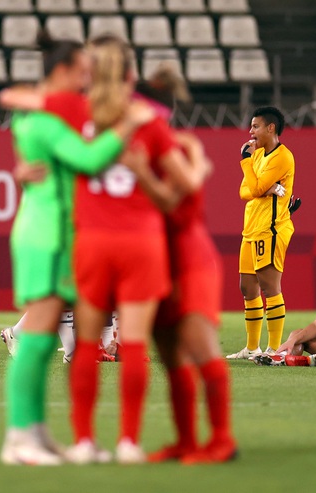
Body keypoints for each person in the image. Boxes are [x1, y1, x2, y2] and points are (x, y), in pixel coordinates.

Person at [0, 31, 154, 466]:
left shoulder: (45, 114)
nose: (87, 79)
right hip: (45, 236)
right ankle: (18, 438)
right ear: (64, 70)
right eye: (82, 71)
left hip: (54, 235)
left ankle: (36, 432)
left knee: (45, 340)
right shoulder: (47, 122)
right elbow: (89, 160)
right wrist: (129, 123)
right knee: (35, 338)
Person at [65, 36, 208, 465]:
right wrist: (197, 160)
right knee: (131, 343)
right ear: (131, 76)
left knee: (86, 345)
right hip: (141, 245)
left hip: (91, 243)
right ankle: (128, 442)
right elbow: (185, 187)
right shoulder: (147, 121)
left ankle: (85, 441)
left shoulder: (76, 117)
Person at [122, 67, 237, 464]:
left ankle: (222, 439)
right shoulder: (143, 148)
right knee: (171, 356)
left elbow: (174, 203)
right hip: (157, 259)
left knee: (200, 345)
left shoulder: (178, 148)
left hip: (189, 258)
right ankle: (186, 440)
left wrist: (140, 174)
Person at [227, 106, 296, 360]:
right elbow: (245, 191)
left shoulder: (282, 157)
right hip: (252, 228)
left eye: (255, 126)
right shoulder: (258, 156)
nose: (250, 131)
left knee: (270, 287)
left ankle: (274, 349)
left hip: (271, 228)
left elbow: (254, 186)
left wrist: (245, 162)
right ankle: (252, 347)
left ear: (271, 128)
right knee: (247, 287)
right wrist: (263, 188)